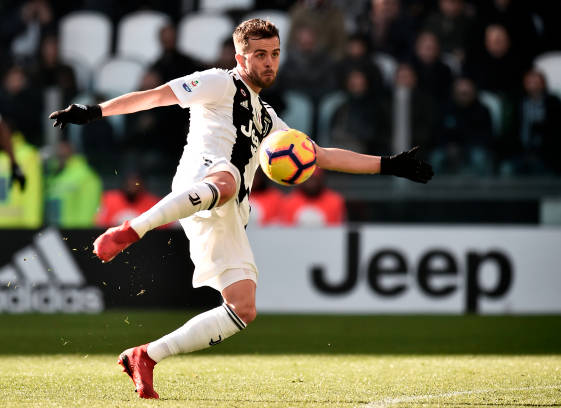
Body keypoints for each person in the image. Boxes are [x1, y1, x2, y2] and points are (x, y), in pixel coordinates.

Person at [48, 18, 433, 399]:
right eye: (260, 54)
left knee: (242, 309)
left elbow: (321, 155)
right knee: (228, 178)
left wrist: (388, 164)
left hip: (228, 212)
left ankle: (146, 356)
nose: (269, 62)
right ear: (240, 57)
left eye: (275, 54)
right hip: (201, 178)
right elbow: (157, 96)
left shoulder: (268, 119)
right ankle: (134, 229)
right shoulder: (218, 81)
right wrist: (94, 112)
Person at [44, 139, 102, 227]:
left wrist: (82, 232)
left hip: (74, 230)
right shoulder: (53, 175)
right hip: (54, 229)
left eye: (63, 153)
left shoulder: (86, 175)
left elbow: (89, 209)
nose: (60, 153)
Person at [280, 167, 346, 226]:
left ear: (321, 179)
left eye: (314, 178)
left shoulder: (335, 201)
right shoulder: (289, 202)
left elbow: (338, 229)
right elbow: (285, 230)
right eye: (307, 179)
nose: (311, 183)